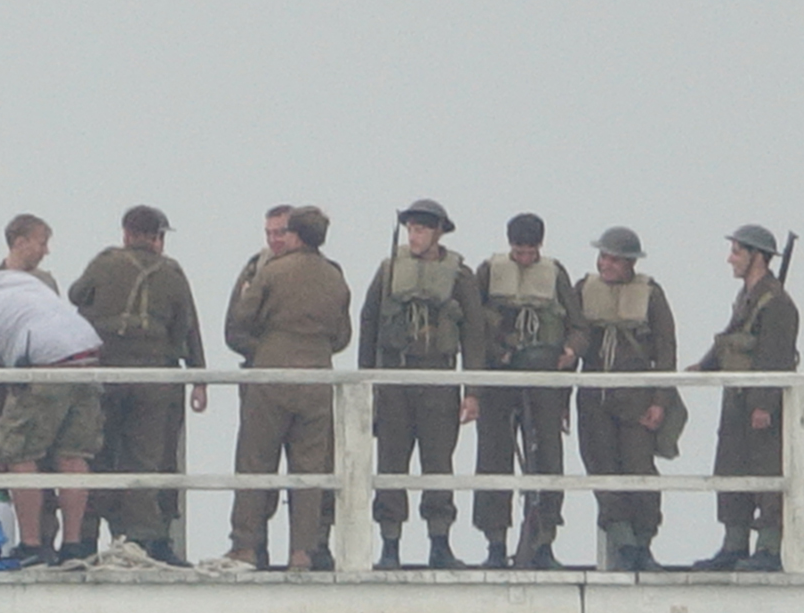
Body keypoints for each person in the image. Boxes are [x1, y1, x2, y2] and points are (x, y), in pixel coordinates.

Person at [67, 205, 208, 566]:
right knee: (147, 459)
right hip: (154, 380)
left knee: (97, 453)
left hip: (105, 376)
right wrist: (198, 376)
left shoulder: (104, 262)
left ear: (126, 233)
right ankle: (148, 538)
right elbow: (186, 328)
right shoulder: (173, 273)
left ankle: (84, 536)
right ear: (158, 237)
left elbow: (76, 294)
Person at [357, 198, 486, 569]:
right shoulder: (389, 270)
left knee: (438, 462)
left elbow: (473, 333)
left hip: (439, 377)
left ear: (438, 232)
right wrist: (367, 382)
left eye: (422, 229)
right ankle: (390, 545)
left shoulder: (459, 274)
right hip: (394, 378)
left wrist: (472, 391)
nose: (414, 236)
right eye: (411, 229)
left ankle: (439, 542)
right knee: (391, 462)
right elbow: (369, 324)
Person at [0, 250, 105, 567]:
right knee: (72, 454)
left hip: (45, 363)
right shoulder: (19, 280)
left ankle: (32, 545)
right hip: (87, 355)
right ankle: (73, 545)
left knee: (19, 454)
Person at [224, 206, 350, 571]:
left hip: (271, 374)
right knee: (310, 469)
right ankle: (302, 551)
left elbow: (241, 319)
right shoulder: (334, 276)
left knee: (255, 460)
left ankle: (246, 545)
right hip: (317, 378)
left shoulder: (272, 271)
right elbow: (342, 336)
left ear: (294, 235)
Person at [472, 212, 586, 570]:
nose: (523, 257)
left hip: (544, 380)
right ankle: (494, 542)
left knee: (547, 459)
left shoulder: (555, 273)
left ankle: (544, 541)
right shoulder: (489, 271)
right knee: (493, 458)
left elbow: (578, 324)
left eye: (529, 251)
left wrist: (570, 352)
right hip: (499, 379)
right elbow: (473, 324)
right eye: (518, 251)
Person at [692, 225, 800, 573]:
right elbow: (731, 337)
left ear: (756, 256)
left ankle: (768, 548)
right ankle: (734, 543)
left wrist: (763, 405)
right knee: (731, 467)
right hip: (737, 398)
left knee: (766, 473)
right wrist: (703, 367)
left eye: (737, 252)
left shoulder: (777, 302)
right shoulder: (748, 297)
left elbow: (776, 357)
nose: (731, 259)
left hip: (758, 402)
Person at [574, 226, 678, 572]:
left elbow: (666, 349)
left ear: (630, 263)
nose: (606, 264)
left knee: (640, 471)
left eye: (615, 259)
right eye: (603, 257)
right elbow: (573, 336)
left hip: (636, 398)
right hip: (594, 398)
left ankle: (643, 543)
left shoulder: (651, 295)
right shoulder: (582, 290)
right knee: (602, 469)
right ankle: (623, 543)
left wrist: (660, 401)